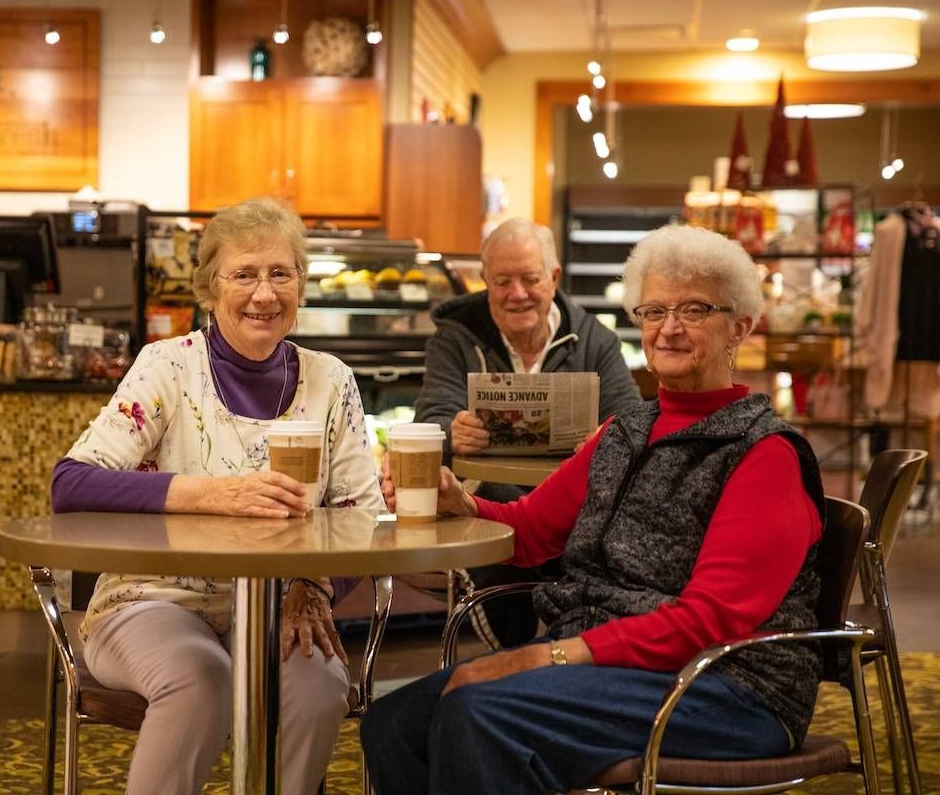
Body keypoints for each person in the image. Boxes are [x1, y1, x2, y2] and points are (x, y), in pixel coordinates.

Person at [362, 224, 826, 795]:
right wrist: (462, 501)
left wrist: (549, 657)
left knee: (477, 714)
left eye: (695, 309)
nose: (669, 328)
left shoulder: (764, 453)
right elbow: (530, 530)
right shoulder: (624, 432)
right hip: (618, 663)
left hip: (728, 686)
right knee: (393, 722)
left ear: (741, 327)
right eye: (654, 310)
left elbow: (708, 621)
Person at [50, 198, 383, 795]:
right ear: (209, 289)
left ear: (301, 285)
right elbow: (70, 483)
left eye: (281, 273)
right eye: (244, 274)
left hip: (282, 608)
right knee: (201, 677)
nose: (264, 294)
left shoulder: (332, 380)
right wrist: (211, 494)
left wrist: (315, 587)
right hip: (151, 600)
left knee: (319, 686)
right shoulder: (167, 367)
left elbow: (359, 516)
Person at [412, 218, 642, 649]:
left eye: (530, 279)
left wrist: (602, 435)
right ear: (484, 282)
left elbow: (632, 423)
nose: (517, 294)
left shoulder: (595, 340)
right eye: (502, 281)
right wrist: (451, 430)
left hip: (570, 502)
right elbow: (430, 421)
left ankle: (570, 645)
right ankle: (516, 648)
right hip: (488, 496)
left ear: (553, 278)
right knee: (496, 511)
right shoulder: (455, 337)